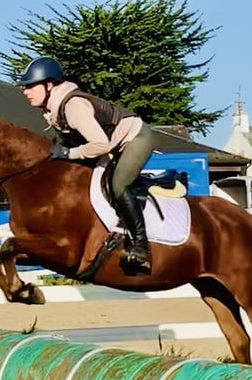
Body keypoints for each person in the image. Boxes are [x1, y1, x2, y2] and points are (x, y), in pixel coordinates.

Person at [18, 55, 154, 274]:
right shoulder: (53, 110)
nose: (25, 91)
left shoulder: (73, 106)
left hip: (136, 138)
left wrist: (69, 153)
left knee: (119, 184)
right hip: (112, 145)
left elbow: (101, 144)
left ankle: (140, 247)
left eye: (31, 85)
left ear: (49, 85)